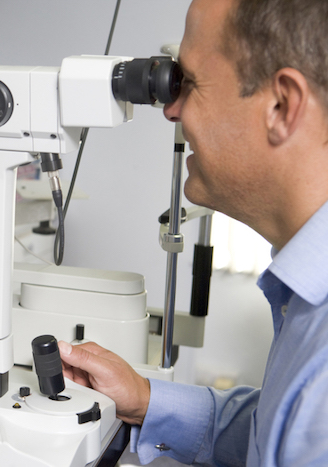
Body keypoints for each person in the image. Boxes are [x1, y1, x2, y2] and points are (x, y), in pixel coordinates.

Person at [59, 0, 328, 465]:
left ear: (282, 106)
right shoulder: (306, 300)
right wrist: (146, 398)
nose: (171, 109)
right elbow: (274, 427)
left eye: (191, 83)